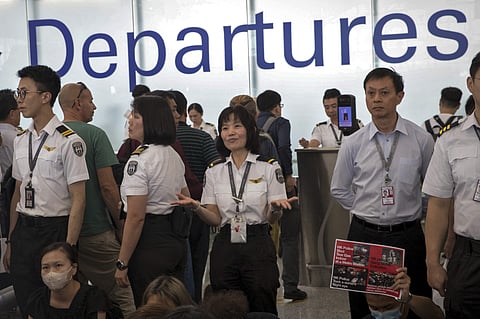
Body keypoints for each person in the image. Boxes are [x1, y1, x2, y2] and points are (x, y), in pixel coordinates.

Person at [330, 67, 434, 319]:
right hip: (363, 234)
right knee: (361, 307)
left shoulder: (421, 139)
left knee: (414, 301)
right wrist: (366, 207)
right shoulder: (353, 142)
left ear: (400, 96)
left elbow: (432, 190)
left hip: (407, 235)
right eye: (371, 93)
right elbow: (339, 188)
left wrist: (412, 211)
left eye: (384, 92)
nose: (376, 99)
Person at [173, 106, 296, 315]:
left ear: (249, 130)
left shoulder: (268, 167)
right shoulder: (214, 171)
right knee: (224, 307)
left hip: (258, 243)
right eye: (225, 127)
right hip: (225, 245)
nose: (230, 132)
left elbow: (272, 217)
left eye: (237, 126)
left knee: (262, 301)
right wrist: (197, 207)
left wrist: (274, 209)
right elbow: (214, 218)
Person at [2, 65, 89, 318]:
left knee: (58, 303)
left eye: (24, 93)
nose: (19, 100)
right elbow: (18, 193)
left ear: (45, 96)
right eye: (17, 93)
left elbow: (79, 200)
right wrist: (10, 240)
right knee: (26, 299)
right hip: (24, 232)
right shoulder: (21, 139)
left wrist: (69, 247)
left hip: (55, 229)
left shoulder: (69, 141)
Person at [58, 82, 136, 317]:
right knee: (122, 294)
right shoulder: (94, 135)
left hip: (61, 233)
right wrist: (120, 223)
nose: (94, 106)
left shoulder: (51, 136)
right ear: (77, 103)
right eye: (90, 100)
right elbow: (107, 187)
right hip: (95, 231)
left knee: (71, 298)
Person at [115, 95, 189, 307]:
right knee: (174, 306)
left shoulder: (139, 160)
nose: (130, 120)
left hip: (149, 242)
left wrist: (122, 262)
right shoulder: (172, 154)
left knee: (151, 307)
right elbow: (185, 196)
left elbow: (136, 217)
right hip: (174, 239)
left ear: (151, 121)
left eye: (136, 116)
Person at [423, 51, 480, 318]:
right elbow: (438, 205)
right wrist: (433, 262)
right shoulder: (451, 141)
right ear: (470, 84)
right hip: (469, 257)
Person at [256, 89, 306, 301]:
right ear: (277, 106)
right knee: (290, 235)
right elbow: (284, 147)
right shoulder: (281, 123)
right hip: (279, 183)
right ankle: (291, 286)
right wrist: (287, 175)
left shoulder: (251, 126)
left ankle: (264, 283)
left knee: (260, 233)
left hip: (257, 187)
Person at [172, 90, 220, 303]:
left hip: (172, 213)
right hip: (199, 209)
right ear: (185, 111)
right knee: (198, 264)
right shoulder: (202, 137)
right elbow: (216, 169)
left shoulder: (162, 142)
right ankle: (196, 305)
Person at [26, 242, 114, 319]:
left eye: (58, 265)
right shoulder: (37, 300)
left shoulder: (94, 298)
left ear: (74, 268)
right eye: (45, 267)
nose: (51, 272)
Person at [364, 268, 444, 319]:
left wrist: (408, 298)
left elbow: (438, 316)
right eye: (374, 308)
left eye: (388, 307)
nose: (381, 313)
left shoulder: (418, 310)